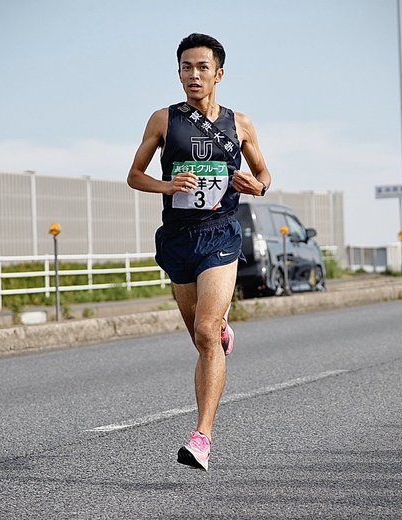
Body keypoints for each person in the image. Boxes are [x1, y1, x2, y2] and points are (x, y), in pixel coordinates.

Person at [127, 33, 271, 471]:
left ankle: (202, 437)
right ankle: (220, 331)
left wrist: (257, 186)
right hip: (178, 239)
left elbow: (264, 174)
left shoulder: (240, 124)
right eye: (186, 67)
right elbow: (134, 175)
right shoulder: (163, 120)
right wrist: (168, 185)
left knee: (206, 332)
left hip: (221, 234)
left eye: (202, 67)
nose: (193, 74)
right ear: (178, 73)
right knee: (200, 336)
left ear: (218, 74)